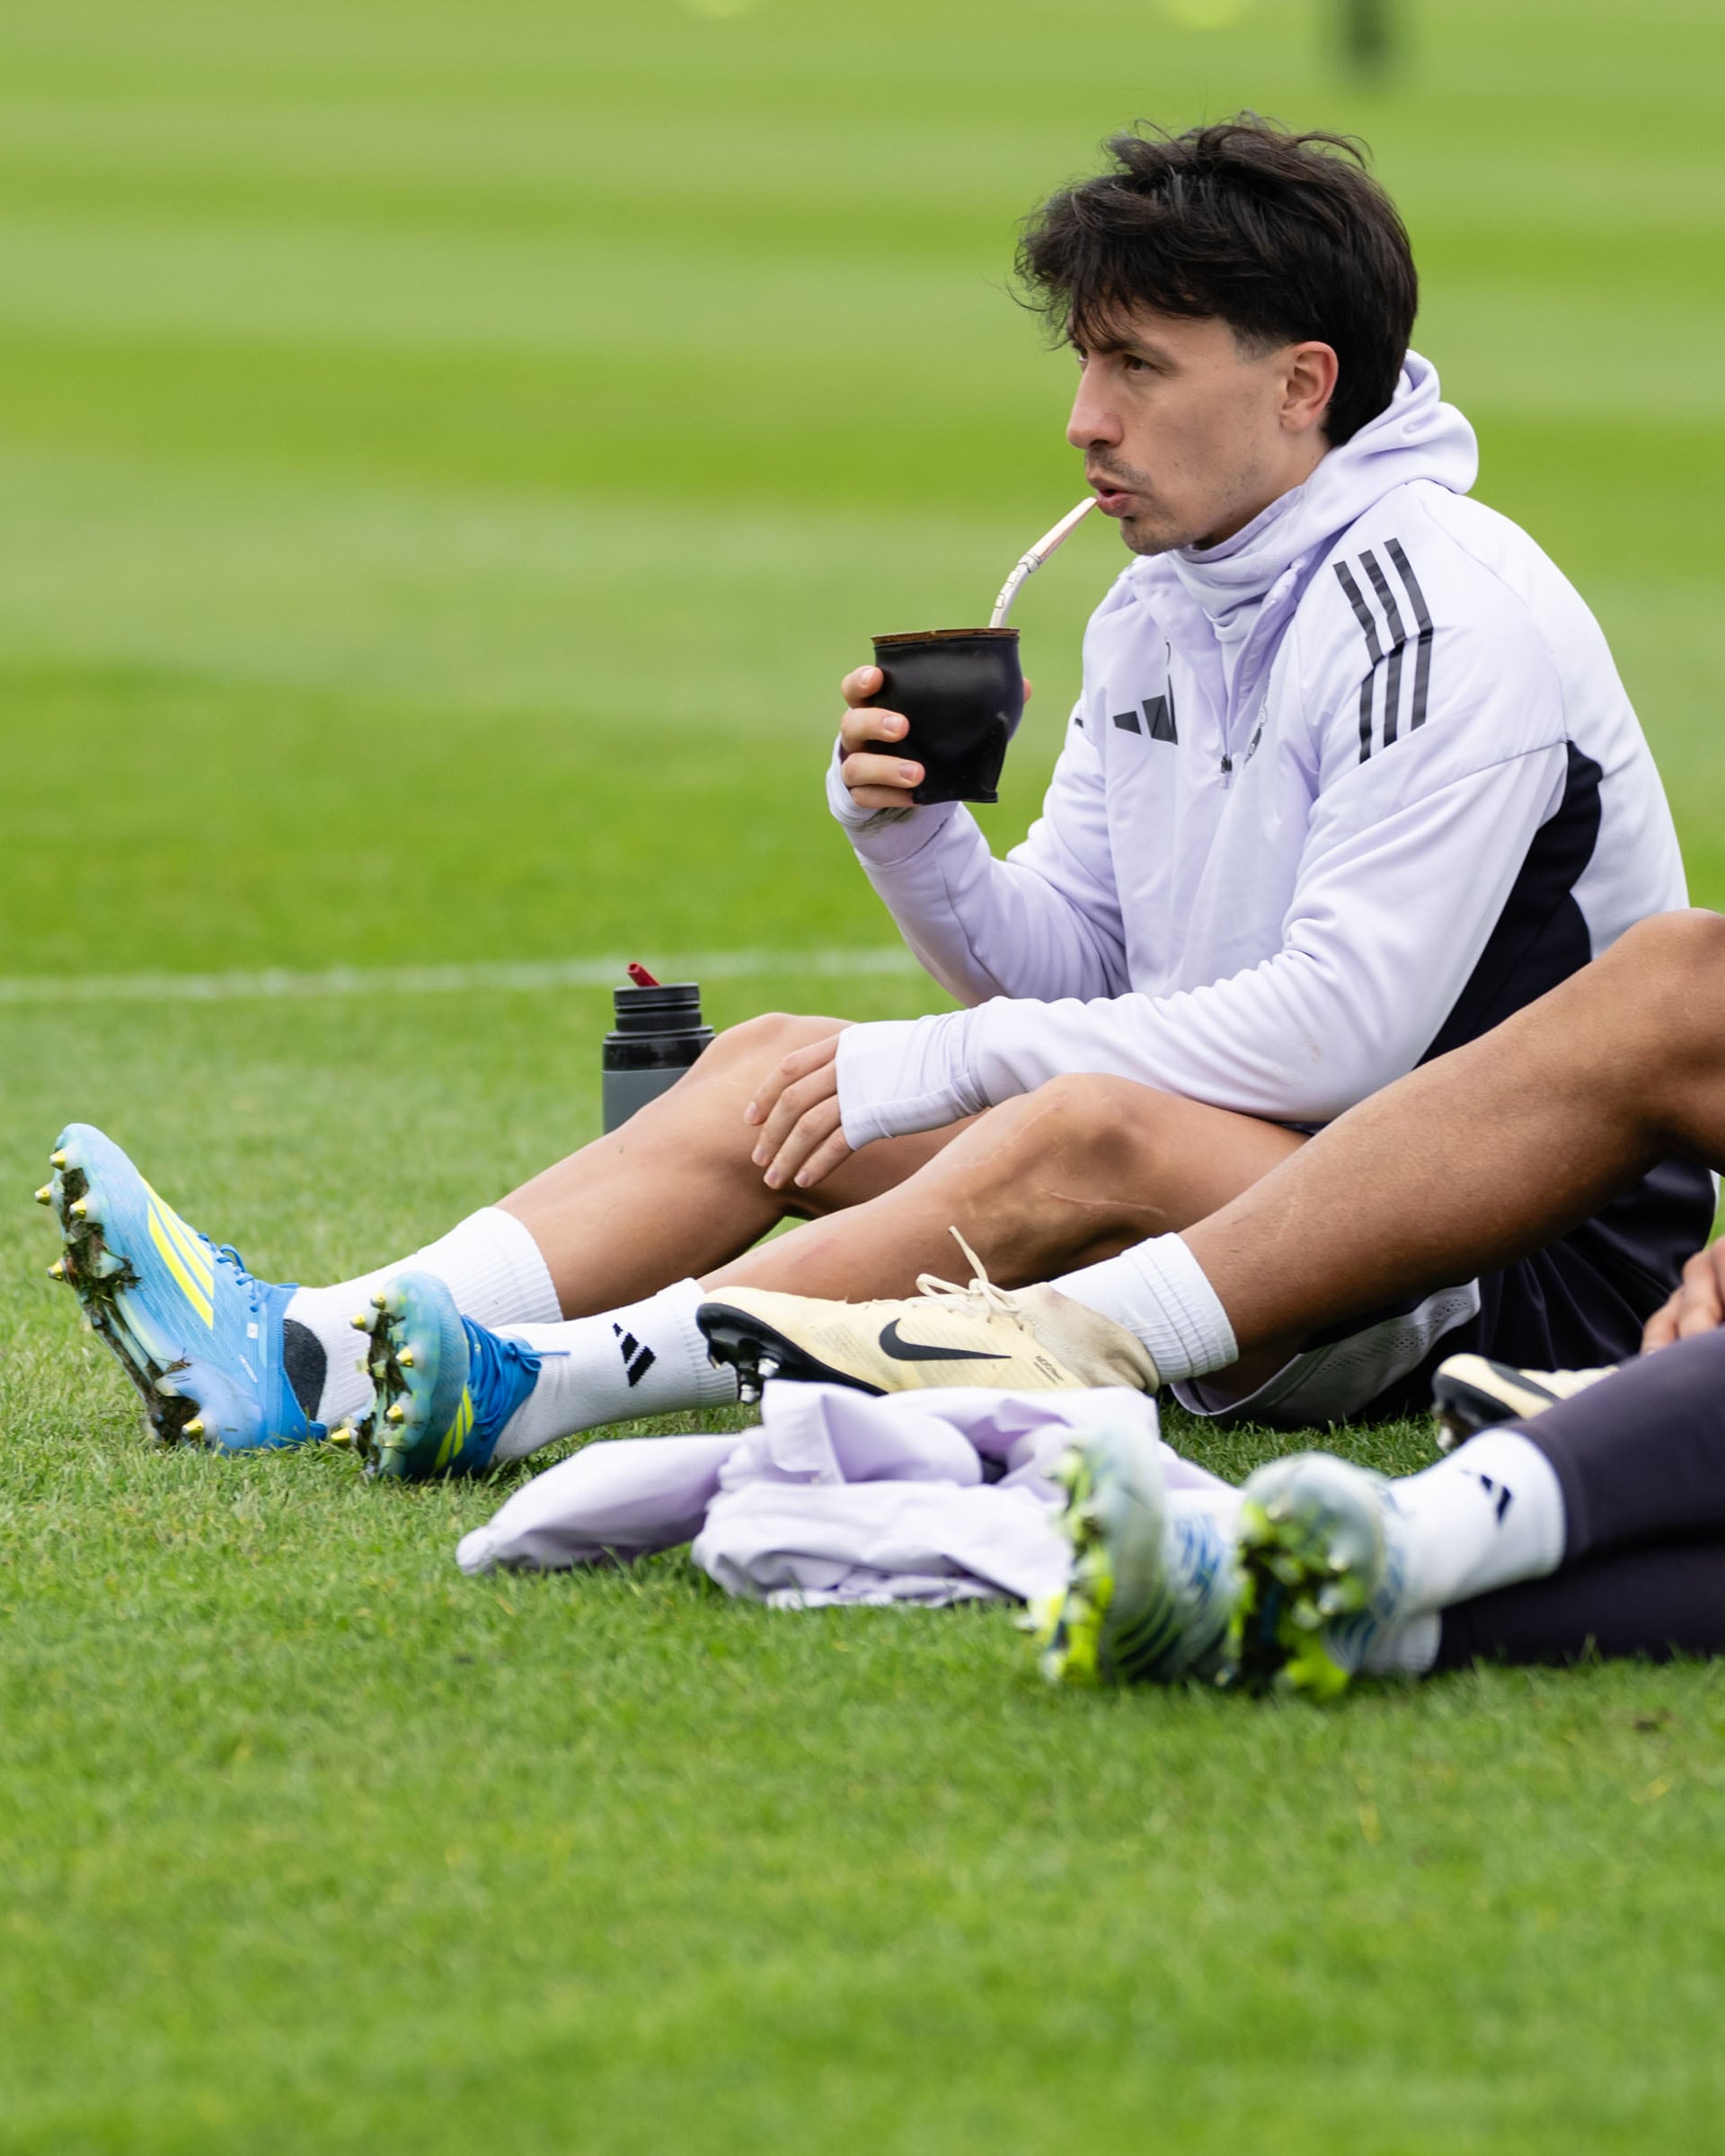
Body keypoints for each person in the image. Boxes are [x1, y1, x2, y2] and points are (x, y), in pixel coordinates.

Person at [41, 119, 1707, 1469]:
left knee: (1069, 1121)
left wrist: (952, 1063)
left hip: (1488, 1273)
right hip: (1249, 1176)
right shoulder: (1161, 603)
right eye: (1085, 362)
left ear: (1302, 384)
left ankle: (542, 1381)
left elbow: (1342, 1033)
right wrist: (920, 845)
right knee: (779, 1065)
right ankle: (312, 1347)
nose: (1084, 420)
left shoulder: (1437, 609)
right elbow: (1076, 970)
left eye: (1136, 366)